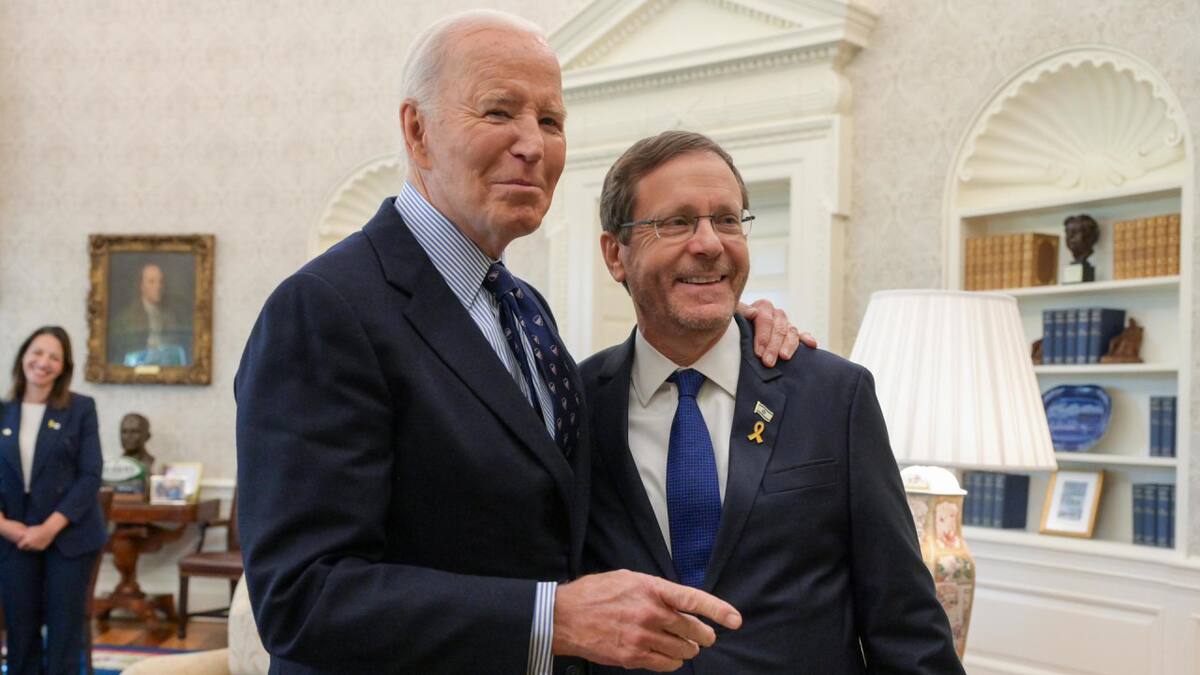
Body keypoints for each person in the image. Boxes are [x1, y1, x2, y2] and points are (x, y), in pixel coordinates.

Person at [234, 11, 810, 675]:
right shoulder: (323, 309)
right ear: (418, 131)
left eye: (551, 121)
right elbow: (301, 597)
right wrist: (553, 618)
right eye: (500, 111)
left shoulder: (526, 310)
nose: (533, 144)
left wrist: (727, 329)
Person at [581, 131, 964, 673]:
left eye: (727, 220)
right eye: (678, 222)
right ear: (615, 254)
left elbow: (906, 623)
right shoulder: (574, 403)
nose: (710, 243)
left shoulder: (834, 397)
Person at [0, 326, 107, 675]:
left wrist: (48, 528)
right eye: (37, 352)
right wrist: (5, 527)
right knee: (20, 633)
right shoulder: (2, 410)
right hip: (13, 539)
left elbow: (90, 475)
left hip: (69, 538)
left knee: (64, 635)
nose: (43, 362)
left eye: (54, 357)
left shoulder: (81, 409)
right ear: (23, 356)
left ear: (64, 367)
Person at [108, 262, 191, 366]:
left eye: (161, 281)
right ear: (142, 286)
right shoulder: (125, 321)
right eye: (152, 282)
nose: (158, 286)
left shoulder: (173, 316)